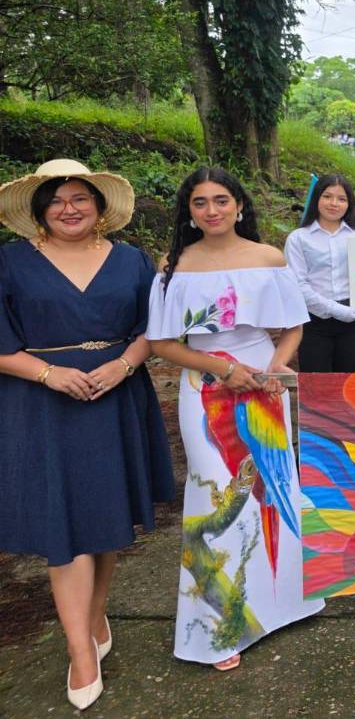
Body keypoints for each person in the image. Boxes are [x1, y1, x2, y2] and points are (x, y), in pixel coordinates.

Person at [0, 159, 174, 710]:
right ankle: (80, 649)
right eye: (56, 199)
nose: (68, 208)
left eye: (80, 198)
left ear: (99, 207)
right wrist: (51, 374)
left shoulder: (131, 260)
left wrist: (123, 366)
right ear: (38, 209)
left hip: (116, 395)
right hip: (42, 405)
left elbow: (157, 327)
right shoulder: (9, 262)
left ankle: (96, 617)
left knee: (106, 520)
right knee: (64, 527)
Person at [147, 167, 323, 670]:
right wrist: (222, 368)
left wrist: (275, 366)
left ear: (239, 205)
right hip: (204, 387)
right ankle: (218, 628)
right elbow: (161, 344)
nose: (212, 210)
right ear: (189, 211)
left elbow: (292, 327)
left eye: (221, 200)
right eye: (200, 202)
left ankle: (286, 601)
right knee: (217, 492)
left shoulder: (268, 258)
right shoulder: (173, 265)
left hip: (264, 386)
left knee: (273, 485)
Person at [284, 174, 355, 373]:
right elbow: (298, 285)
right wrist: (337, 310)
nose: (334, 203)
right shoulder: (298, 238)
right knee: (316, 383)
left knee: (347, 380)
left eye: (342, 199)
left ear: (349, 204)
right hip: (313, 320)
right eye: (327, 196)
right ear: (316, 199)